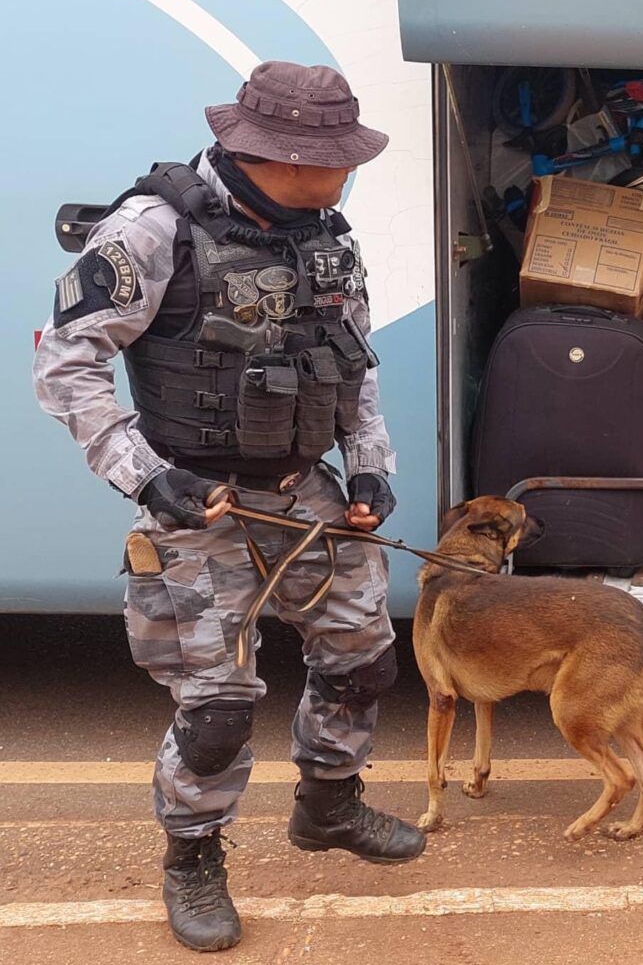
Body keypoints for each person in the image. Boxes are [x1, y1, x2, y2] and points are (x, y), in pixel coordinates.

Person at [33, 61, 426, 953]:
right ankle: (194, 859)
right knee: (215, 708)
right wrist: (142, 475)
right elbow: (66, 362)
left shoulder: (326, 233)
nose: (344, 174)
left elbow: (355, 365)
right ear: (273, 154)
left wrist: (367, 469)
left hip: (307, 494)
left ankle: (329, 805)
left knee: (362, 661)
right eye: (329, 159)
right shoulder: (151, 229)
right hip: (196, 502)